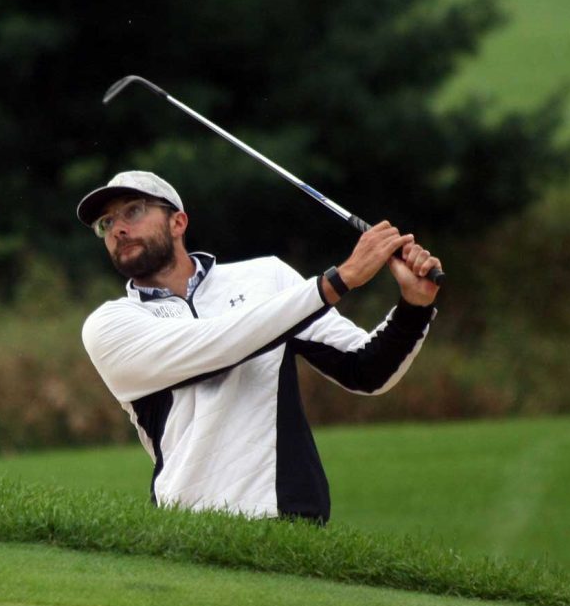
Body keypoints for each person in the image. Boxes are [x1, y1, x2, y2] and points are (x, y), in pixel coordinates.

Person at [78, 170, 442, 522]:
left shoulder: (266, 278)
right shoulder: (110, 326)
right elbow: (218, 347)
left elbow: (366, 369)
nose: (119, 229)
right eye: (106, 224)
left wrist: (415, 306)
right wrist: (337, 282)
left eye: (134, 211)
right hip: (186, 526)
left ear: (178, 223)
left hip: (290, 515)